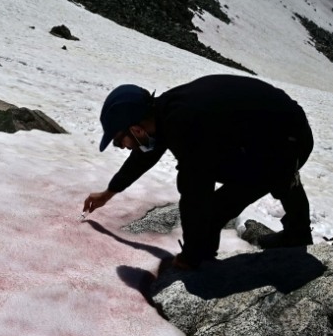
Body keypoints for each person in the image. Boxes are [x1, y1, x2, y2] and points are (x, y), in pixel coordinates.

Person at [83, 74, 314, 269]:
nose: (122, 146)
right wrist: (108, 193)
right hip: (281, 128)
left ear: (136, 129)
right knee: (227, 176)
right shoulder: (164, 112)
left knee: (213, 208)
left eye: (118, 140)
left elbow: (195, 191)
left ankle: (207, 256)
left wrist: (191, 256)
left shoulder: (185, 126)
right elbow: (143, 158)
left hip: (289, 139)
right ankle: (296, 222)